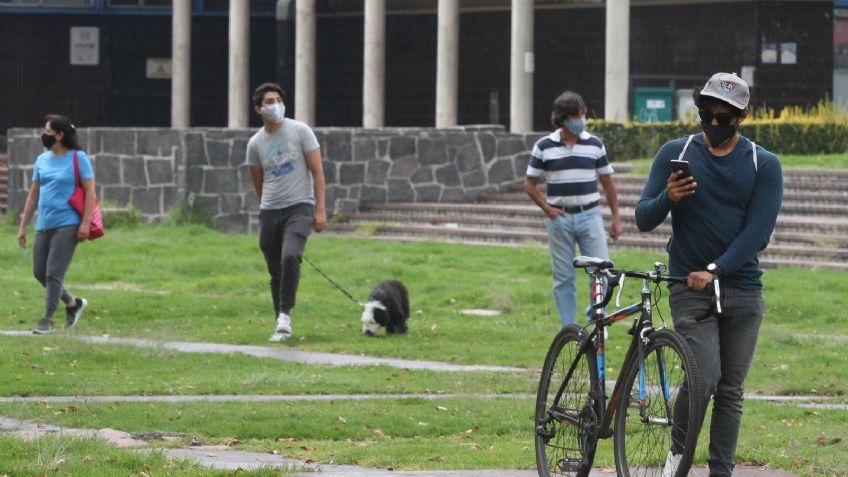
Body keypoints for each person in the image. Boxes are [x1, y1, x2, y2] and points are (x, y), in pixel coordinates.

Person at [635, 72, 783, 477]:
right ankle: (677, 454)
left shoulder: (763, 164)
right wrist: (668, 197)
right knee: (704, 378)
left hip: (741, 289)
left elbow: (758, 233)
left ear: (743, 116)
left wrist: (716, 269)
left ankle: (721, 472)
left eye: (724, 117)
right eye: (706, 115)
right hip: (690, 288)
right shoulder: (676, 152)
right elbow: (643, 218)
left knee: (730, 390)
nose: (714, 124)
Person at [525, 91, 622, 328]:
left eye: (582, 113)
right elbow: (529, 183)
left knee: (601, 272)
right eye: (577, 115)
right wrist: (547, 209)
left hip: (590, 214)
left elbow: (607, 182)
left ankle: (597, 322)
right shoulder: (543, 146)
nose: (582, 119)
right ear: (563, 118)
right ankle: (568, 329)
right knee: (563, 277)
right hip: (559, 218)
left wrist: (616, 217)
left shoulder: (595, 144)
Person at [246, 82, 327, 342]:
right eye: (269, 101)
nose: (275, 105)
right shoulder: (255, 144)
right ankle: (280, 324)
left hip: (300, 207)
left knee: (290, 256)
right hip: (270, 211)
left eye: (278, 100)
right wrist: (266, 211)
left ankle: (285, 314)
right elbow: (258, 183)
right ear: (258, 109)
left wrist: (320, 209)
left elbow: (317, 172)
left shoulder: (301, 131)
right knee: (275, 271)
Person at [17, 115, 92, 334]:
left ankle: (47, 319)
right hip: (44, 224)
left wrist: (85, 223)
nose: (44, 135)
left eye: (48, 132)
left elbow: (90, 192)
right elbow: (33, 196)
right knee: (39, 272)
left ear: (60, 135)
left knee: (53, 274)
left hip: (68, 224)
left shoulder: (78, 158)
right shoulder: (42, 160)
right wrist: (23, 227)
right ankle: (73, 303)